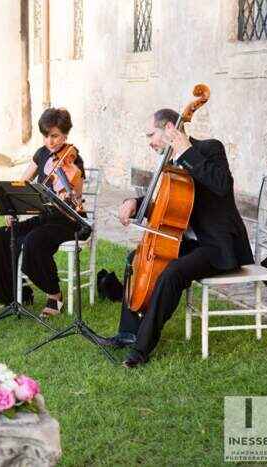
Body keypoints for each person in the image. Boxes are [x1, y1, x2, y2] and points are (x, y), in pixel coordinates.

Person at [98, 108, 253, 368]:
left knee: (172, 272)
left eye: (151, 134)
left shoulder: (209, 149)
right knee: (133, 259)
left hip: (218, 246)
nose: (149, 141)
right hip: (189, 242)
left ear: (170, 128)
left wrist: (185, 151)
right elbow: (164, 204)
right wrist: (135, 203)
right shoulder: (170, 164)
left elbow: (222, 184)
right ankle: (128, 331)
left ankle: (141, 349)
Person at [0, 108, 87, 318]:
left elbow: (75, 196)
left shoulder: (74, 162)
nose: (50, 141)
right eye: (46, 135)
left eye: (55, 135)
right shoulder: (41, 154)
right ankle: (14, 295)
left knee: (33, 242)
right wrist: (11, 208)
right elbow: (22, 183)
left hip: (68, 221)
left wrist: (69, 189)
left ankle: (55, 295)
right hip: (45, 218)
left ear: (65, 135)